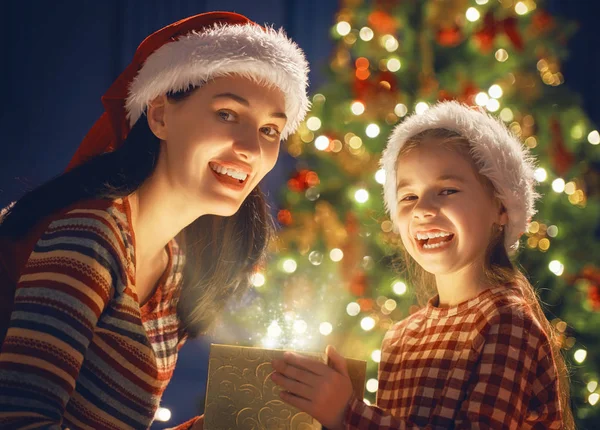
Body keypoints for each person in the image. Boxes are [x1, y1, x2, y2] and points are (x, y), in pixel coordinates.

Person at [0, 11, 309, 429]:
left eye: (271, 130)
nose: (251, 149)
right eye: (227, 114)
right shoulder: (90, 239)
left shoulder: (174, 265)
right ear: (160, 114)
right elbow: (20, 418)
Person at [271, 101, 574, 429]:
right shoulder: (402, 338)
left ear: (501, 207)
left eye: (447, 190)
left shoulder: (508, 323)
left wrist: (347, 413)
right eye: (408, 197)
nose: (423, 210)